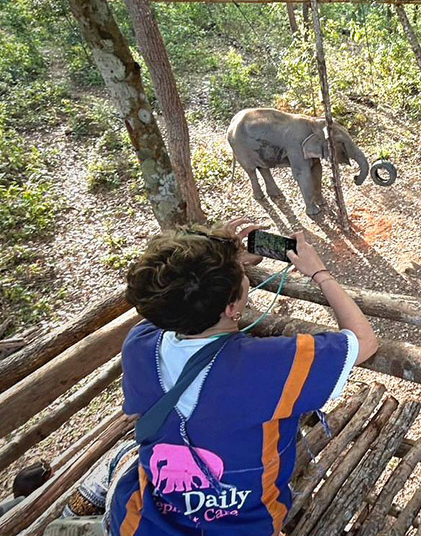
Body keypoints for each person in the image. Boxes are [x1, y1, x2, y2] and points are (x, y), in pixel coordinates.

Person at [107, 219, 377, 536]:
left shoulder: (140, 344)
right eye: (242, 278)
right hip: (248, 527)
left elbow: (180, 297)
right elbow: (365, 341)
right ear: (233, 306)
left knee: (123, 459)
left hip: (144, 524)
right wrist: (320, 273)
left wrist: (217, 260)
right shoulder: (269, 364)